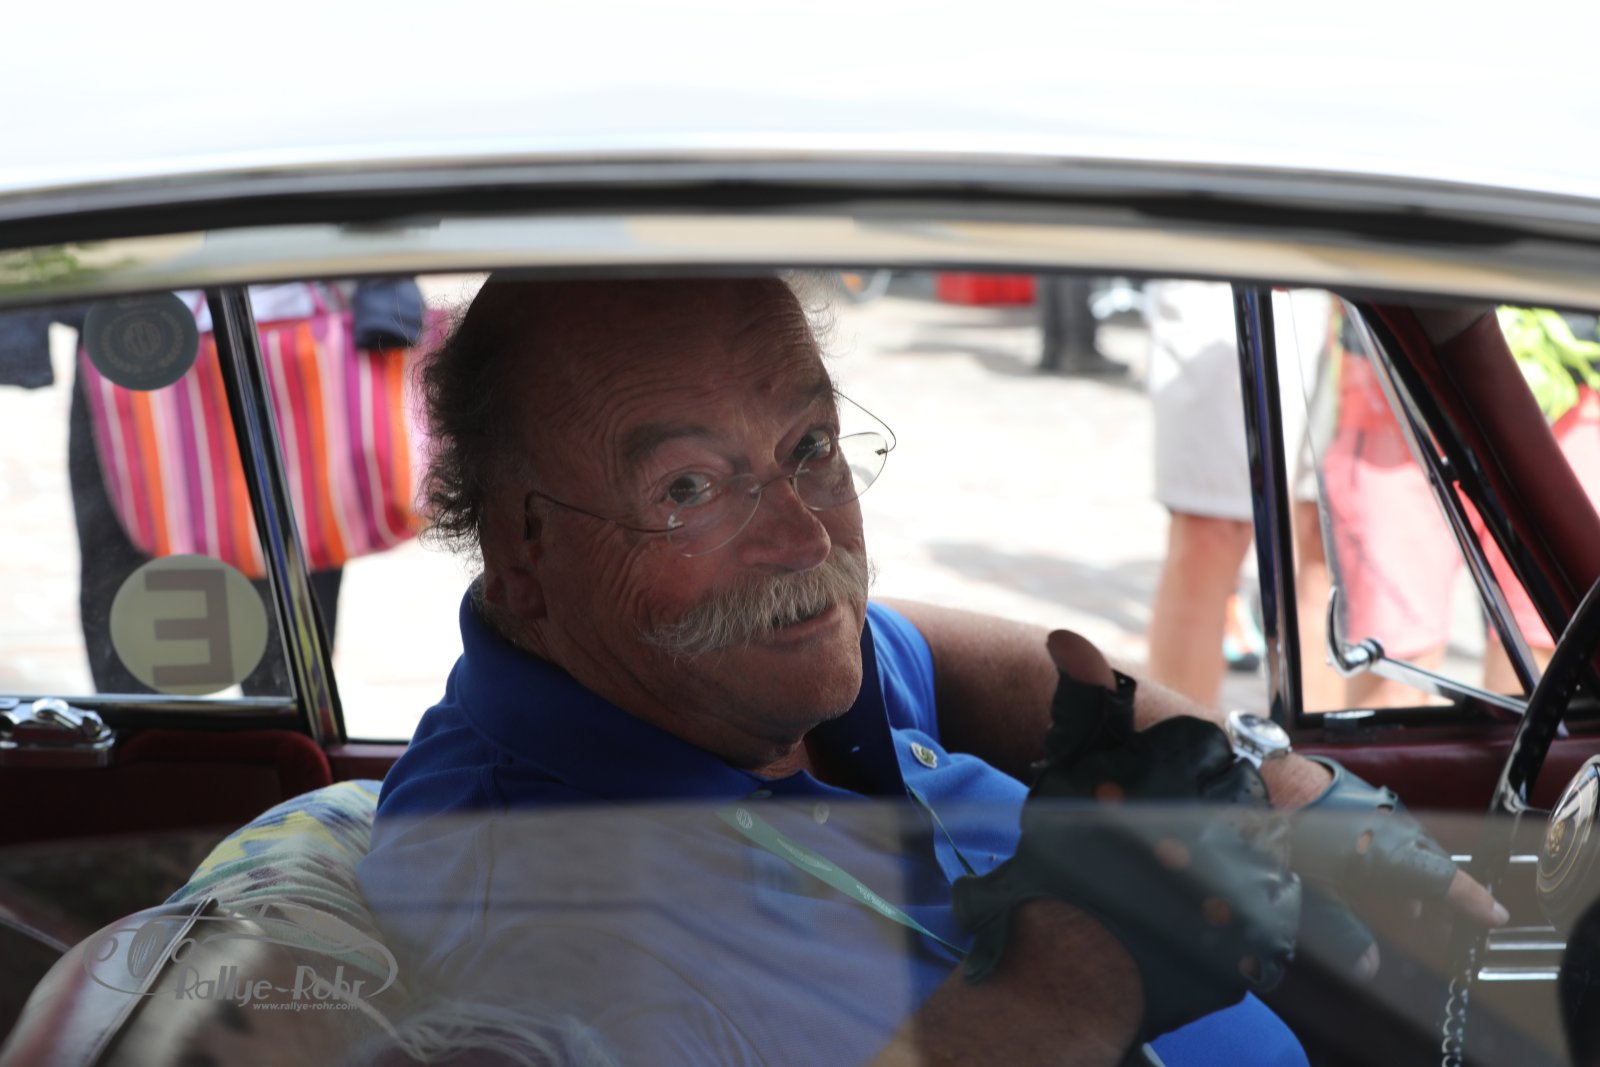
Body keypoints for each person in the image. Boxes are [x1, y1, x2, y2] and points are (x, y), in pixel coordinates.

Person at [358, 277, 1505, 1067]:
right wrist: (1067, 984)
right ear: (522, 551)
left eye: (811, 446)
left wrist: (1276, 783)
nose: (806, 537)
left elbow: (927, 645)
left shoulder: (750, 680)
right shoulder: (525, 880)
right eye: (689, 488)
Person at [1144, 282, 1342, 709]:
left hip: (1363, 274)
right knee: (1211, 529)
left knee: (1334, 536)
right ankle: (1178, 744)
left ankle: (1317, 746)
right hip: (1233, 271)